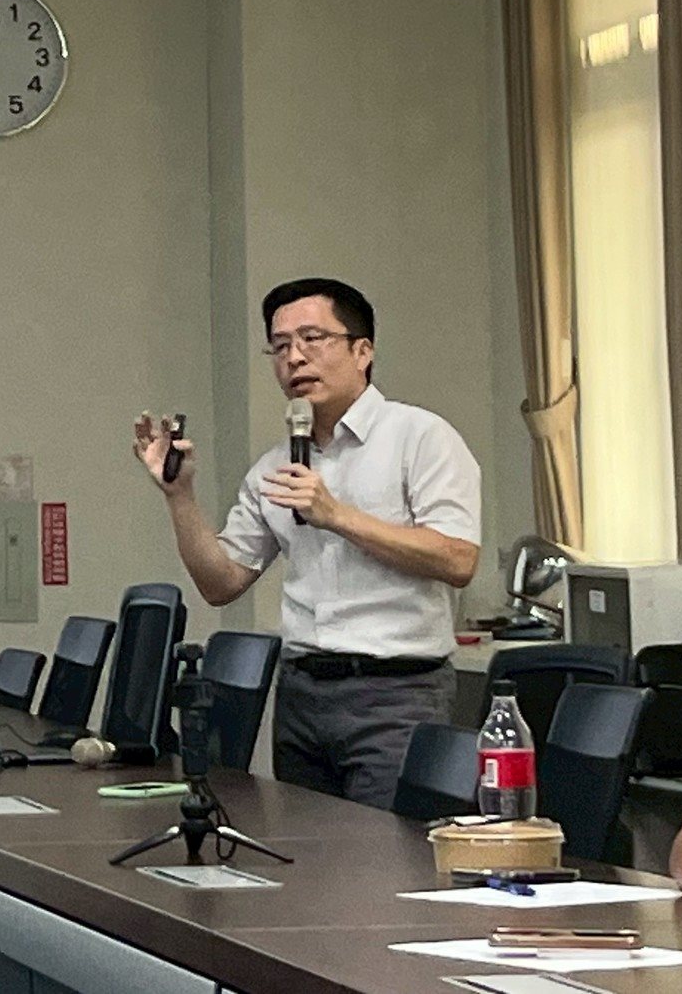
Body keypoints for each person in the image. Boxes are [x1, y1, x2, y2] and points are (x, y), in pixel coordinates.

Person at [132, 277, 483, 809]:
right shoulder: (274, 467)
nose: (294, 358)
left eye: (313, 339)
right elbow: (221, 583)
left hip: (396, 693)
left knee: (381, 850)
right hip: (300, 694)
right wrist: (180, 496)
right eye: (279, 346)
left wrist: (336, 515)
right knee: (305, 849)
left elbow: (458, 558)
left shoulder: (420, 437)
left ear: (362, 351)